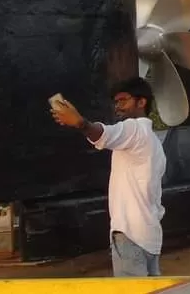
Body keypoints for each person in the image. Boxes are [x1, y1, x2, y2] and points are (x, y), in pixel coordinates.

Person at [50, 78, 166, 277]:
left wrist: (80, 123)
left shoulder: (134, 129)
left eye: (123, 100)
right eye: (116, 102)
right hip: (150, 235)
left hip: (130, 234)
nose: (118, 106)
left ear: (141, 102)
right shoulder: (155, 143)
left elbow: (104, 133)